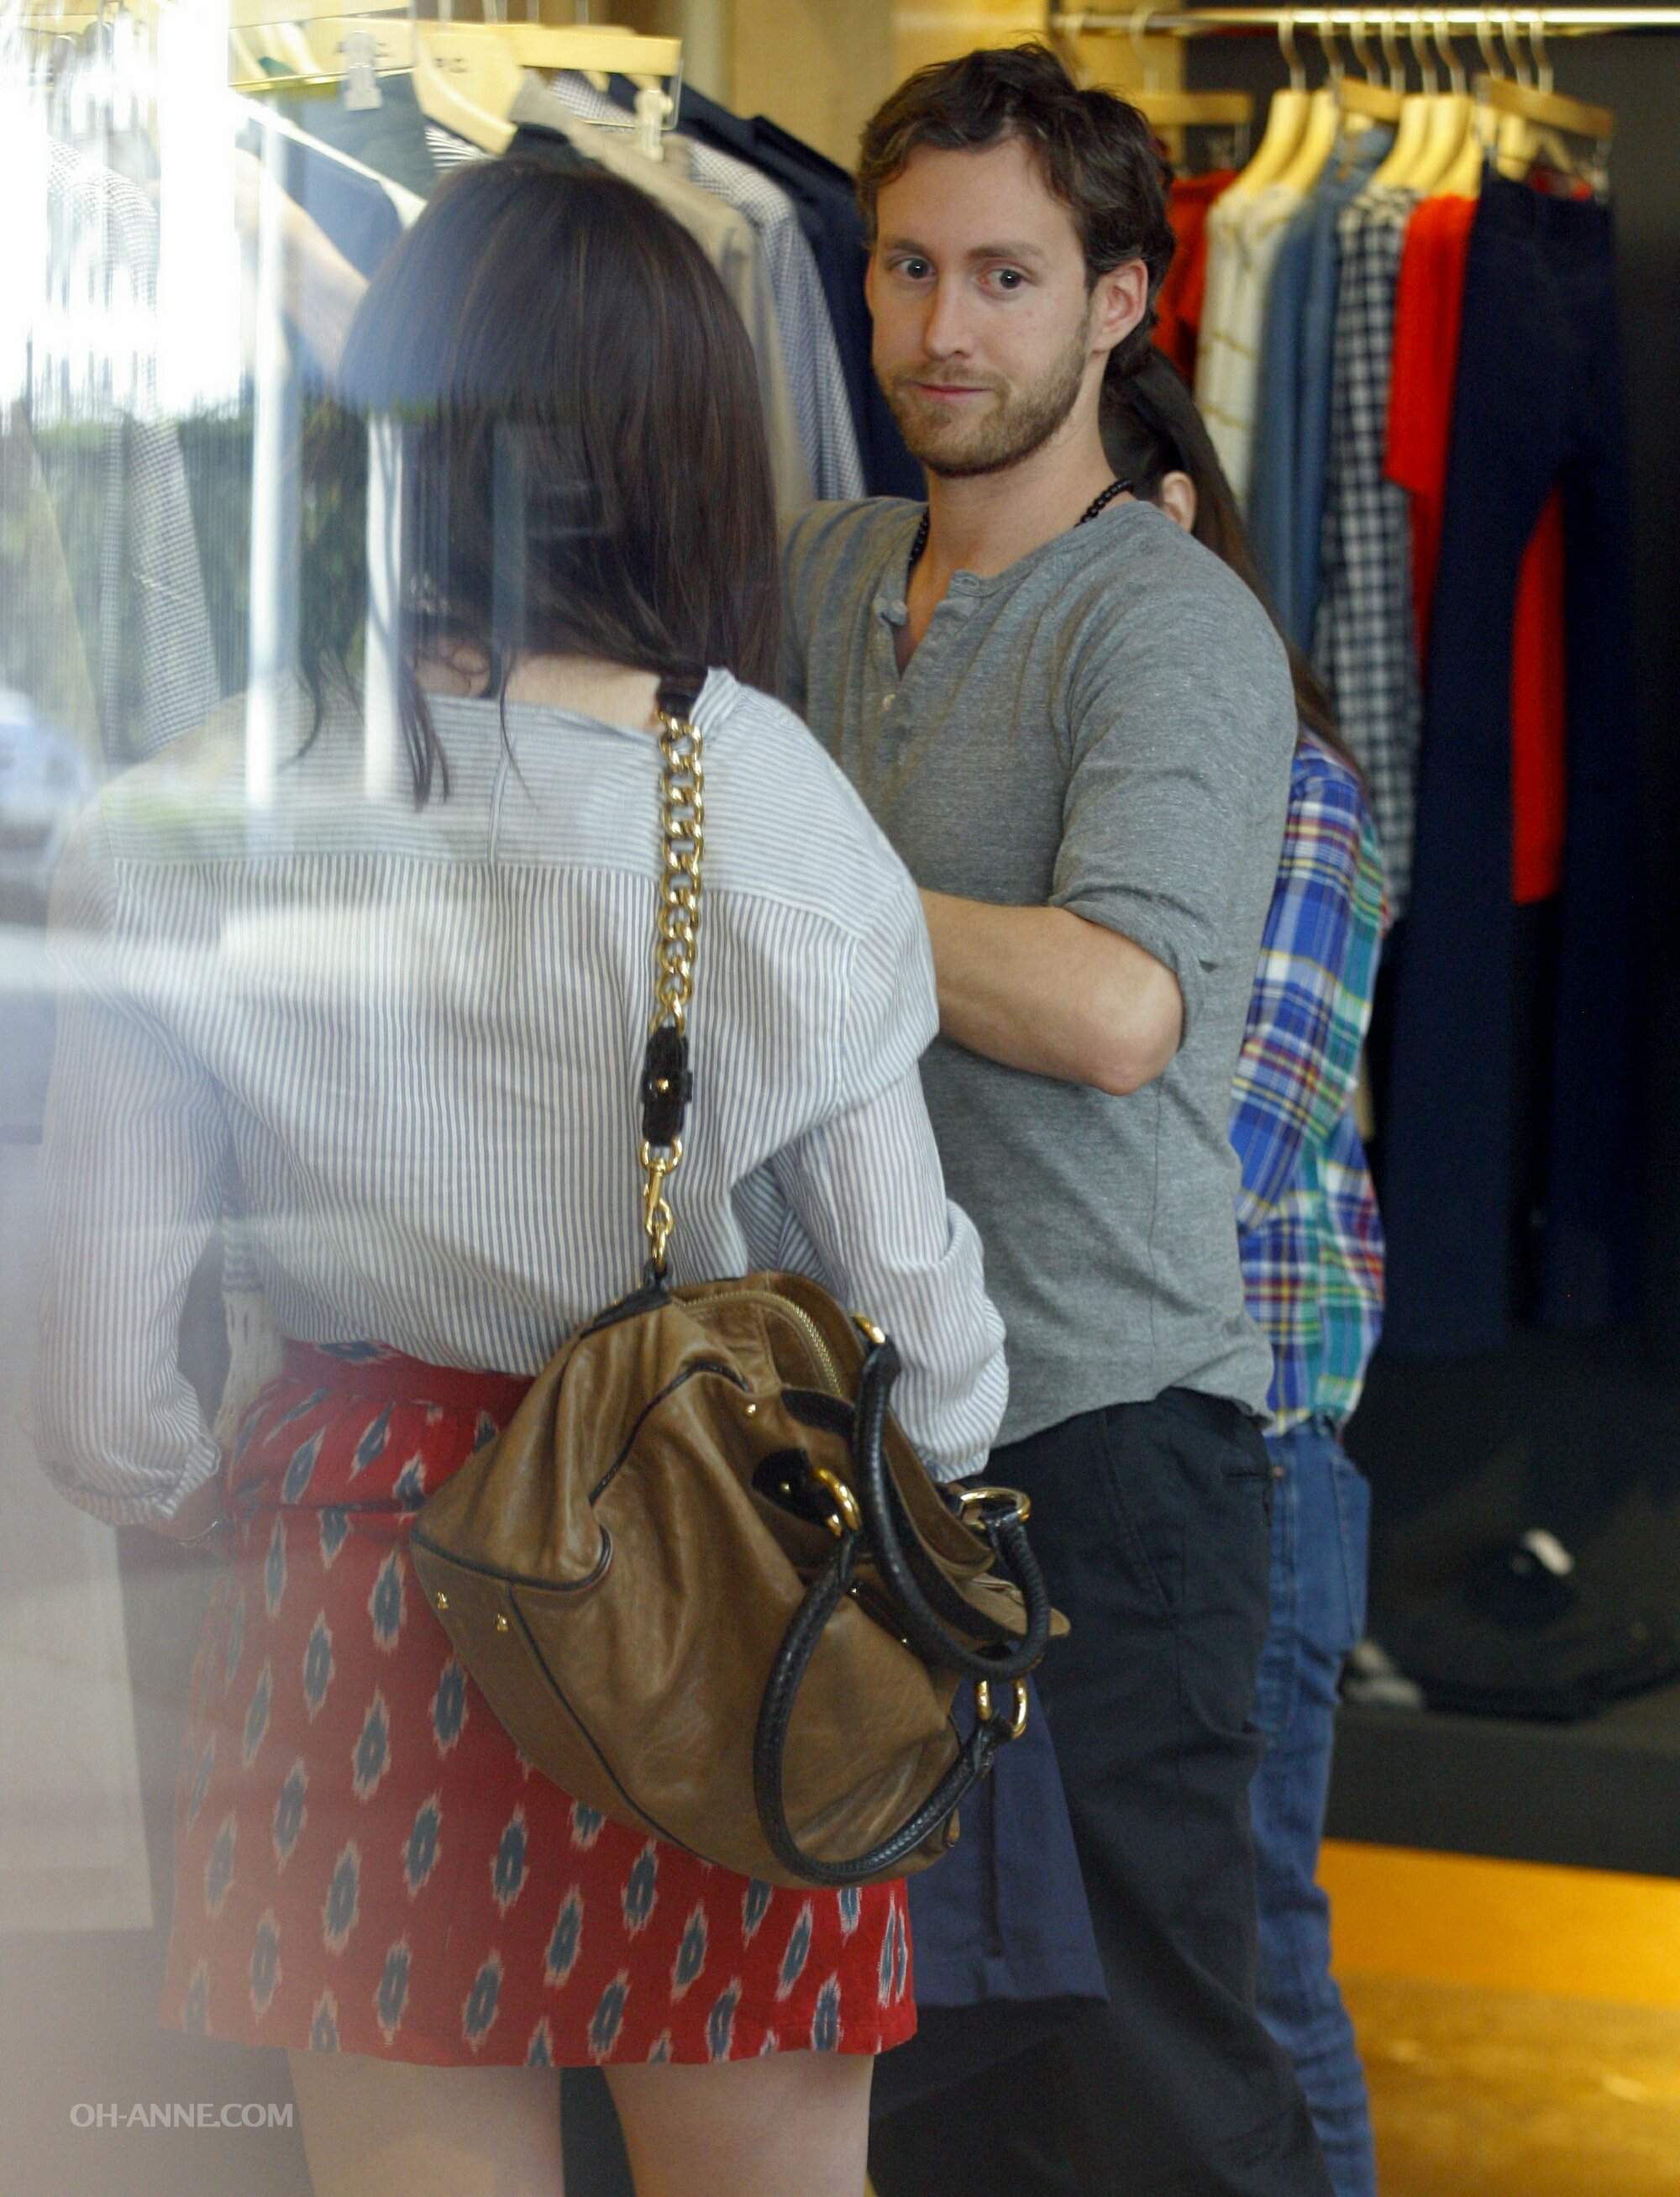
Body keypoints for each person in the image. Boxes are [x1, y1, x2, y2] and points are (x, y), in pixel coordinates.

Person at [32, 159, 1009, 2197]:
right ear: (686, 451)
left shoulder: (189, 814)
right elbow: (930, 1349)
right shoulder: (772, 811)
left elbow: (98, 1397)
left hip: (364, 1595)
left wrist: (257, 1459)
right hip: (726, 1611)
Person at [782, 44, 1333, 2197]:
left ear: (1121, 298)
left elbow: (1117, 1008)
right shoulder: (811, 569)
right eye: (907, 267)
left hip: (1106, 1456)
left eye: (1004, 276)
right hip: (832, 1446)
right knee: (904, 2083)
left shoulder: (1161, 618)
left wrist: (793, 888)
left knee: (1157, 2098)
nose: (939, 329)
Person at [1104, 352, 1386, 2197]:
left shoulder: (1295, 792)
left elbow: (1245, 1144)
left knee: (1252, 1961)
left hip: (1256, 1444)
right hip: (1098, 1442)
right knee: (1129, 1978)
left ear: (1179, 517)